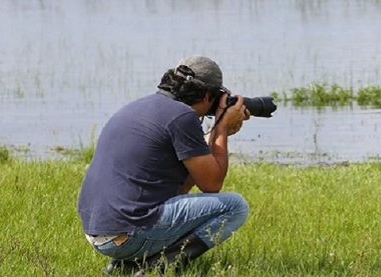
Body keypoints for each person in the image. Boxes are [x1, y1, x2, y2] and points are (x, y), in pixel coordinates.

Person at [76, 55, 251, 276]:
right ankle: (157, 268)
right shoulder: (183, 117)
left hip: (98, 231)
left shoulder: (141, 106)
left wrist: (216, 131)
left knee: (175, 205)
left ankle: (125, 265)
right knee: (235, 206)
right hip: (127, 234)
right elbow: (212, 184)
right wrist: (222, 130)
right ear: (208, 95)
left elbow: (181, 190)